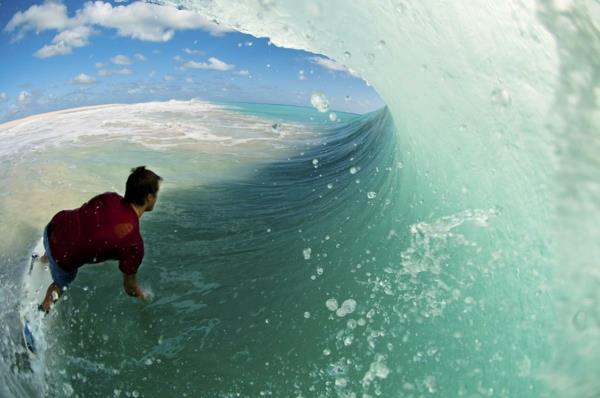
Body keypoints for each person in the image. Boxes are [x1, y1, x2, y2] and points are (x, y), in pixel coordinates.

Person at [39, 166, 162, 313]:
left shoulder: (110, 197)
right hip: (61, 257)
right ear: (149, 197)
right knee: (59, 285)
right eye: (156, 193)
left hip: (53, 226)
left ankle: (43, 259)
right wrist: (142, 296)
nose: (156, 197)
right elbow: (129, 287)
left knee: (69, 236)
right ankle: (41, 312)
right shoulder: (134, 243)